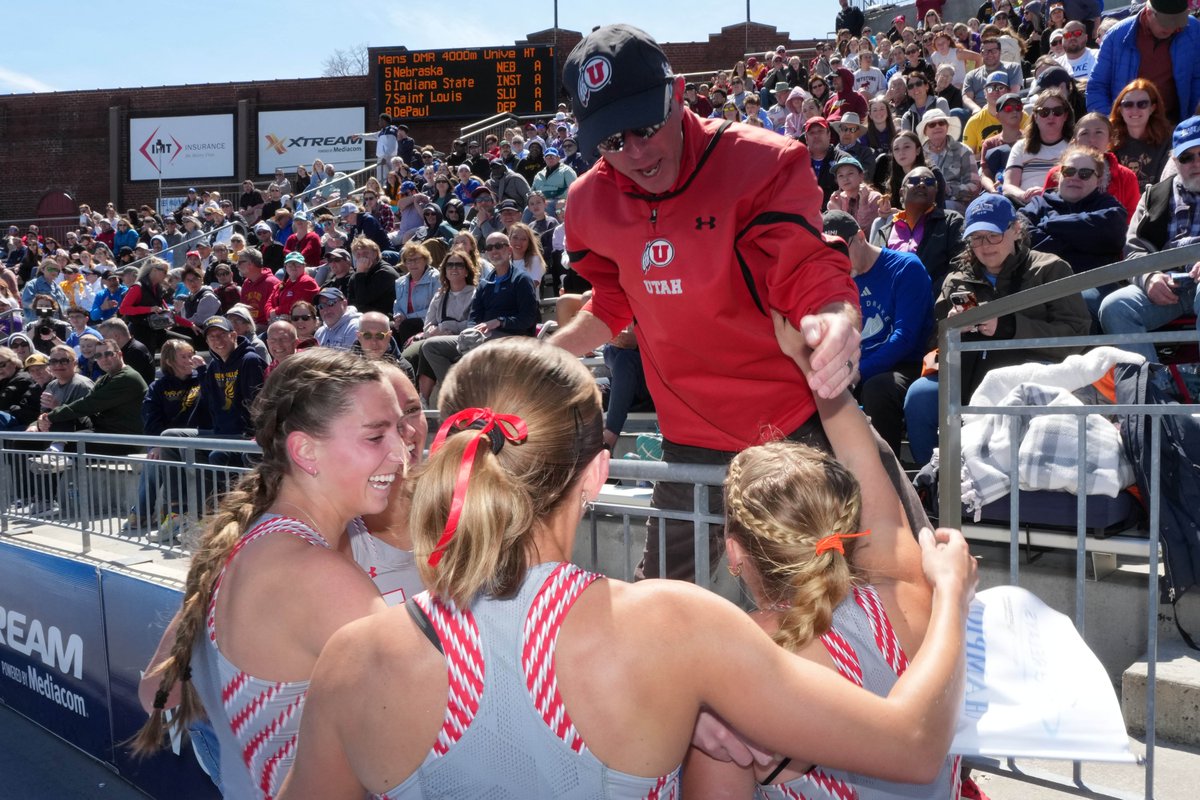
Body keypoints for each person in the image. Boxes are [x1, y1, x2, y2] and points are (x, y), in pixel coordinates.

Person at [275, 338, 976, 800]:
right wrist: (951, 593)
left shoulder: (351, 662)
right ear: (599, 473)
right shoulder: (672, 626)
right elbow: (914, 747)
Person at [552, 24, 928, 582]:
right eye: (610, 141)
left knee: (897, 575)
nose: (634, 151)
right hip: (689, 436)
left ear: (677, 94)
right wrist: (550, 353)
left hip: (794, 423)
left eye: (645, 126)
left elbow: (805, 265)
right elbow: (614, 298)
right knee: (660, 609)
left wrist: (834, 317)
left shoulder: (762, 161)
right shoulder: (588, 202)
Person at [132, 350, 405, 798]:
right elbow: (428, 756)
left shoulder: (255, 538)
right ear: (304, 450)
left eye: (400, 425)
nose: (401, 449)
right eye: (377, 436)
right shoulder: (318, 577)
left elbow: (158, 692)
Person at [682, 387, 960, 798]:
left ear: (734, 551)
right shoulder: (904, 587)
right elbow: (861, 454)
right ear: (843, 530)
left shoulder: (734, 669)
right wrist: (821, 369)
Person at [904, 194, 1091, 466]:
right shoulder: (958, 277)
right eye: (976, 237)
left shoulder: (1050, 269)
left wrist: (1008, 326)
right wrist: (954, 327)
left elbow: (1076, 336)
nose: (984, 246)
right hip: (966, 372)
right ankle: (932, 482)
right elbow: (935, 339)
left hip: (1028, 373)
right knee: (920, 396)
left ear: (1015, 230)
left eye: (993, 235)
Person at [824, 211, 933, 460]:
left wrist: (856, 372)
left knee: (879, 387)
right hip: (855, 367)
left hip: (905, 366)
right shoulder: (834, 278)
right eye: (828, 253)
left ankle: (889, 475)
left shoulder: (905, 267)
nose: (835, 259)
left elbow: (904, 337)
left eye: (841, 249)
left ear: (861, 237)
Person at [1098, 115, 1200, 366]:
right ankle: (1152, 393)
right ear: (1175, 160)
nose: (1197, 163)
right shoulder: (1153, 195)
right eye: (1188, 157)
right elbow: (1133, 250)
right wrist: (1149, 277)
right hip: (1169, 285)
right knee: (1114, 308)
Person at [1020, 145, 1129, 321]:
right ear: (1059, 174)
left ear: (1099, 179)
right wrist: (1082, 237)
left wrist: (1048, 225)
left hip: (1094, 285)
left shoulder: (1108, 206)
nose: (1075, 178)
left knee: (1079, 304)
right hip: (1041, 284)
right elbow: (1021, 237)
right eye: (1069, 171)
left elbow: (1113, 233)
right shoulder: (1038, 205)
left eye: (1084, 173)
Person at [1086, 0, 1200, 125]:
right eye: (1166, 23)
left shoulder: (1193, 29)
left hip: (1175, 125)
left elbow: (1197, 78)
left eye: (1178, 23)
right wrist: (1111, 123)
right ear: (1149, 12)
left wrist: (1193, 120)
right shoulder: (1115, 36)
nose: (1173, 28)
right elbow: (1096, 87)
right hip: (1127, 128)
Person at [38, 337, 147, 448]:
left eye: (108, 354)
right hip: (106, 431)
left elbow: (89, 404)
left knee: (71, 443)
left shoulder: (127, 377)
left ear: (119, 354)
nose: (103, 359)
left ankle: (55, 456)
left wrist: (50, 416)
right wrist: (43, 419)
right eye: (98, 356)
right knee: (64, 429)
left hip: (126, 438)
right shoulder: (105, 378)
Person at [872, 166, 965, 293]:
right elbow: (872, 272)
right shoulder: (884, 232)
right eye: (914, 181)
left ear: (936, 191)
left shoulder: (951, 222)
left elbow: (960, 265)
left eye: (929, 182)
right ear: (901, 193)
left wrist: (926, 295)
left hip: (934, 304)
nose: (922, 184)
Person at [404, 249, 479, 404]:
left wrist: (446, 327)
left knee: (429, 347)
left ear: (467, 271)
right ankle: (423, 401)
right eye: (449, 265)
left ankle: (455, 394)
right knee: (414, 353)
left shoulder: (475, 294)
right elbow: (428, 324)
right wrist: (434, 331)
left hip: (465, 341)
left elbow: (474, 324)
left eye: (459, 265)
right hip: (438, 338)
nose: (454, 268)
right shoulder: (440, 295)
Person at [1043, 112, 1142, 220]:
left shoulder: (1127, 177)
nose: (1091, 139)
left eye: (1098, 132)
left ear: (1110, 141)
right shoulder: (1058, 173)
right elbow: (1044, 210)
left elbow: (1132, 221)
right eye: (1084, 133)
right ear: (1075, 142)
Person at [1003, 88, 1075, 205]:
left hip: (1063, 204)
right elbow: (1008, 186)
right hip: (1025, 205)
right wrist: (1024, 195)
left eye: (1057, 111)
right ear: (1035, 117)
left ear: (1065, 116)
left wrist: (1047, 194)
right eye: (1044, 112)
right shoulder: (1021, 146)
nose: (1051, 116)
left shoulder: (1075, 147)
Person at [1110, 79, 1172, 194]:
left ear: (1152, 108)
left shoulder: (1168, 141)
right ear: (1120, 109)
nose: (1135, 110)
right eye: (1128, 104)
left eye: (1142, 104)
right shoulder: (1109, 141)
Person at [919, 108, 981, 213]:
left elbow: (975, 187)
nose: (937, 126)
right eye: (932, 124)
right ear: (925, 131)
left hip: (956, 205)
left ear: (947, 127)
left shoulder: (964, 151)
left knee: (943, 207)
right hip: (924, 204)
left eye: (941, 123)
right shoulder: (918, 154)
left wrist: (947, 189)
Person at [392, 242, 440, 343]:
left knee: (406, 325)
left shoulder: (435, 278)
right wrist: (398, 316)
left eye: (417, 260)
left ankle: (406, 357)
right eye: (409, 260)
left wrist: (406, 317)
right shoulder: (400, 282)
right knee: (388, 328)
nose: (413, 264)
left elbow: (436, 307)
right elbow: (397, 303)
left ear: (425, 260)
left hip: (429, 321)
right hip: (406, 320)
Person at [347, 236, 401, 317]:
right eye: (358, 254)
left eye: (365, 253)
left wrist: (360, 274)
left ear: (375, 254)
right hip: (363, 317)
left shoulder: (385, 272)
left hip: (384, 317)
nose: (362, 257)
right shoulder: (357, 275)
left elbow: (362, 301)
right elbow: (351, 304)